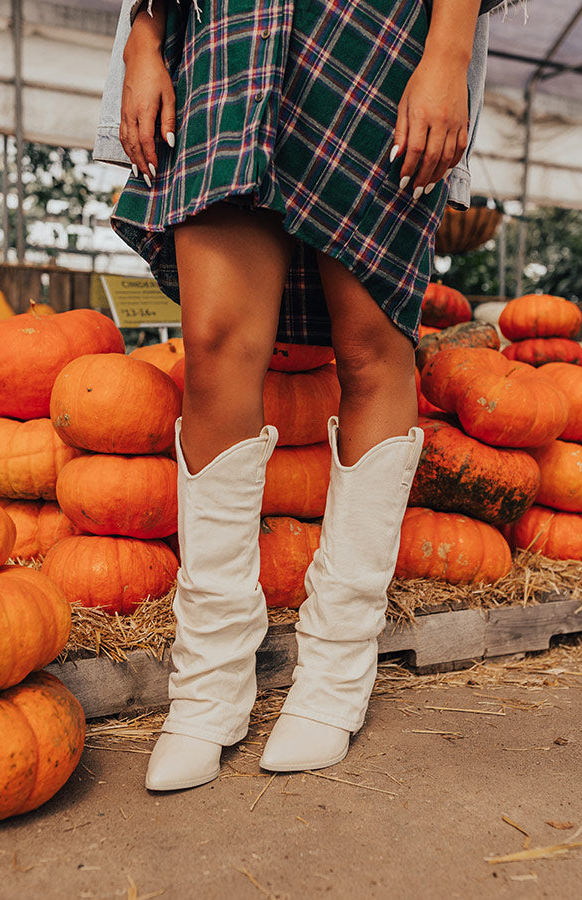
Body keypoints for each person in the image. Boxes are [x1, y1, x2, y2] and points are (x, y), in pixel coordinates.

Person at [96, 0, 507, 791]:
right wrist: (144, 39)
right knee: (216, 344)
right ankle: (210, 677)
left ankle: (337, 664)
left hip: (374, 30)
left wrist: (449, 52)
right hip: (228, 30)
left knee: (369, 344)